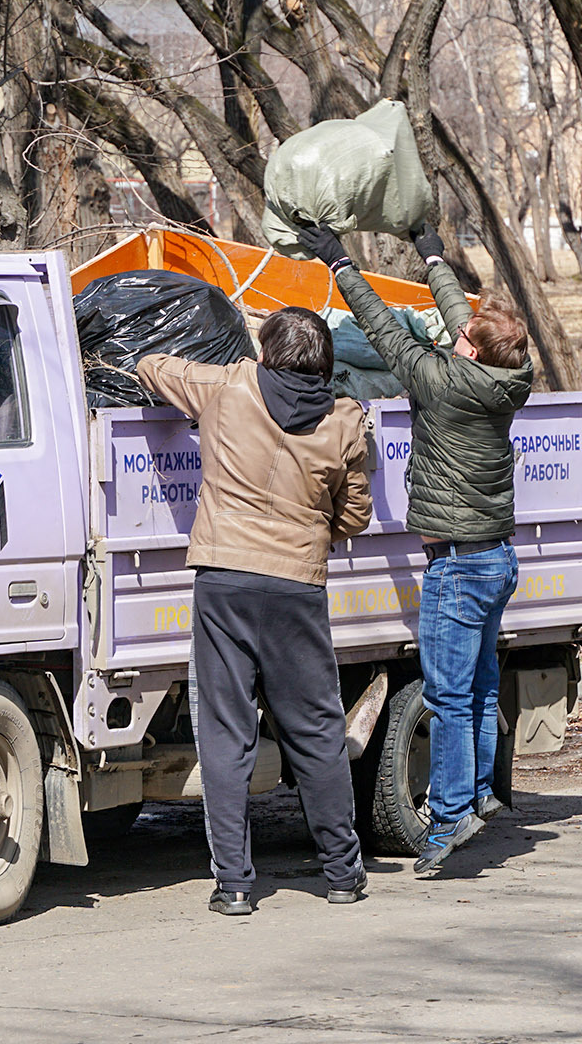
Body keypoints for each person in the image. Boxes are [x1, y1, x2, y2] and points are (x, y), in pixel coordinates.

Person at [298, 221, 534, 877]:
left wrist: (341, 263)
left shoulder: (443, 383)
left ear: (475, 355)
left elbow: (381, 329)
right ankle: (482, 794)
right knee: (483, 689)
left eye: (461, 340)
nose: (451, 334)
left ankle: (451, 818)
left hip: (457, 567)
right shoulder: (510, 378)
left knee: (450, 697)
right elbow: (465, 317)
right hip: (495, 561)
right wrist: (433, 256)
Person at [136, 309, 372, 916]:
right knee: (318, 730)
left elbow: (152, 367)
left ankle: (235, 886)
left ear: (265, 354)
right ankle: (343, 875)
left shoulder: (225, 389)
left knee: (226, 734)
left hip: (225, 583)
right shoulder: (345, 422)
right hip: (297, 588)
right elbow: (354, 518)